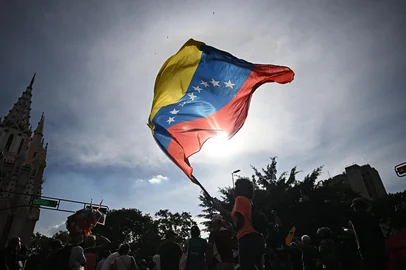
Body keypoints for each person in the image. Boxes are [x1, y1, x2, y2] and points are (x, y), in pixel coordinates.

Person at [216, 178, 265, 270]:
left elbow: (240, 221)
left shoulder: (239, 199)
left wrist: (234, 234)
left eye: (236, 187)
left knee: (246, 267)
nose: (234, 189)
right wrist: (221, 210)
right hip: (257, 238)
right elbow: (233, 218)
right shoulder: (248, 201)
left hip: (247, 238)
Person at [349, 198, 386, 270]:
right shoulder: (371, 217)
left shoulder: (355, 218)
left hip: (365, 249)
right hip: (377, 247)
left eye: (354, 206)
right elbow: (379, 233)